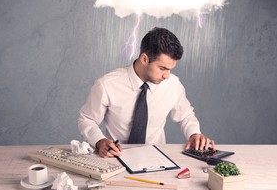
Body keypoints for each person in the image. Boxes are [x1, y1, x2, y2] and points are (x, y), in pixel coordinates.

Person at [78, 27, 215, 157]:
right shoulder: (107, 84)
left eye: (170, 69)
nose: (167, 76)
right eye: (162, 68)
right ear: (144, 59)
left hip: (158, 157)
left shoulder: (173, 85)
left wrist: (194, 134)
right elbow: (87, 119)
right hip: (116, 156)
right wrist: (99, 141)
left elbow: (185, 115)